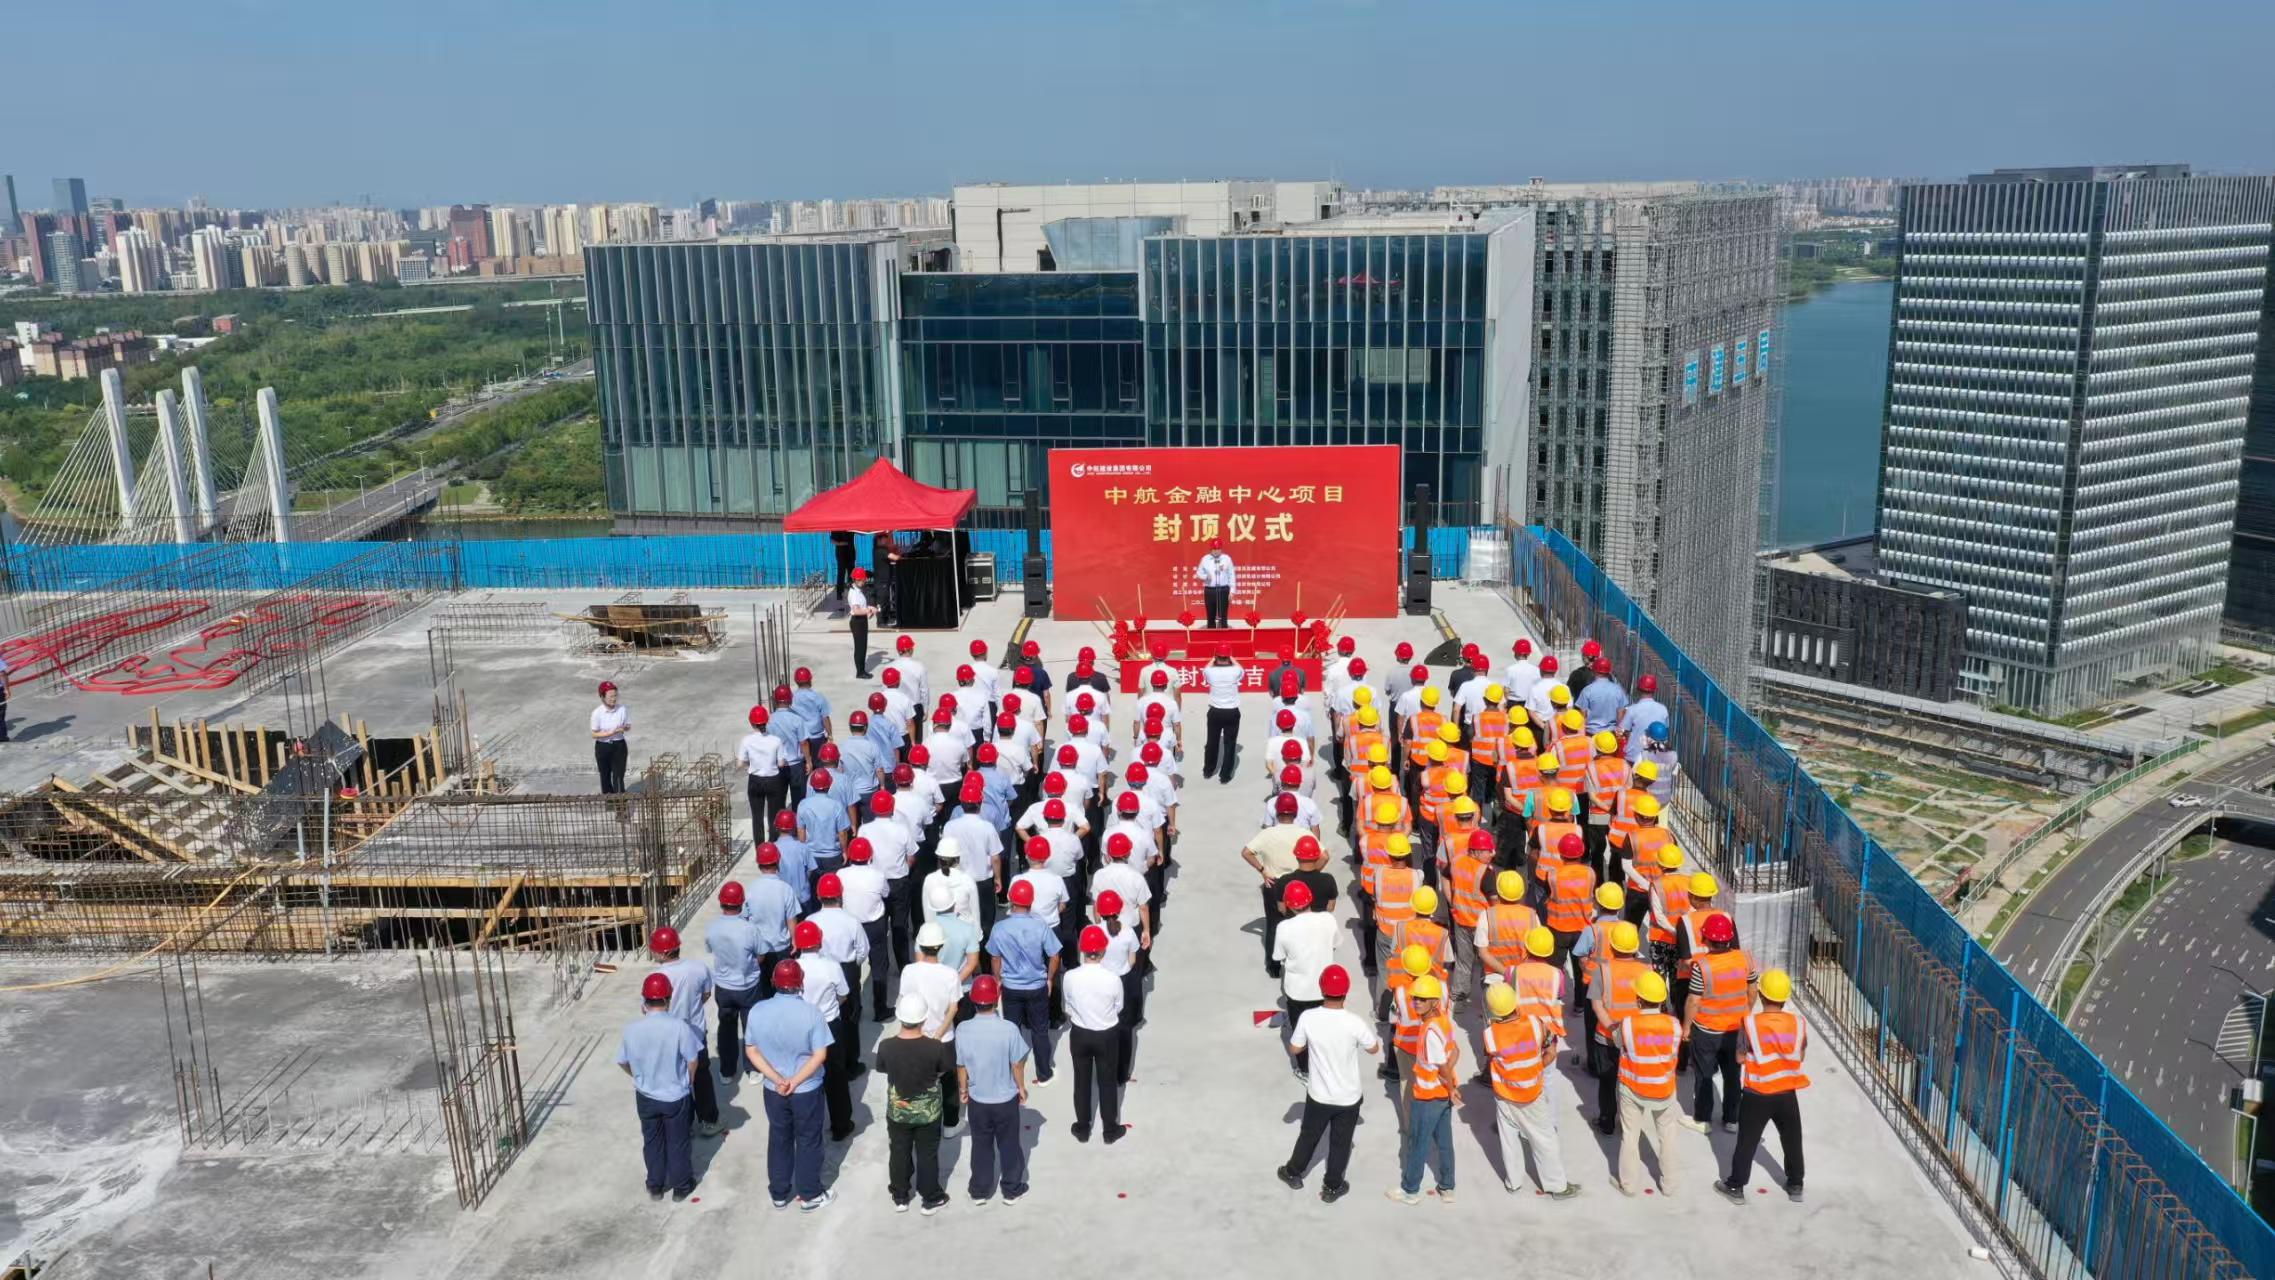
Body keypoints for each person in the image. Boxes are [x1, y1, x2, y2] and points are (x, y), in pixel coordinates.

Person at [1276, 963, 1377, 1202]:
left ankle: (1293, 1172)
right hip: (1348, 1097)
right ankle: (1332, 1187)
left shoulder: (1308, 1018)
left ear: (1322, 990)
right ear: (1346, 991)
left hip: (1319, 1095)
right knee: (1341, 1143)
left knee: (1309, 1136)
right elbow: (1373, 1048)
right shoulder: (1354, 1022)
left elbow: (1295, 1048)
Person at [746, 959, 836, 1211]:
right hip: (806, 1089)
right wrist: (794, 1081)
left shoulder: (758, 1011)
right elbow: (820, 1055)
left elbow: (752, 1050)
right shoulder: (812, 1013)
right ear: (800, 983)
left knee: (779, 1137)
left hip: (774, 1090)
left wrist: (778, 1079)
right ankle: (809, 1194)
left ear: (773, 981)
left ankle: (779, 1192)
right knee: (808, 1140)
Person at [1715, 968, 1809, 1205]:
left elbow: (1739, 1058)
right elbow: (1800, 1054)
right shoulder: (1798, 1024)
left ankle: (1735, 1186)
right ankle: (1795, 1184)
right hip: (1786, 1093)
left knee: (1747, 1142)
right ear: (1785, 998)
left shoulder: (1750, 1023)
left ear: (1762, 995)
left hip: (1757, 1094)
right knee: (1792, 1139)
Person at [1481, 980, 1579, 1199]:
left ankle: (1513, 1182)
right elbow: (1550, 1049)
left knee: (1508, 1138)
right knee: (1544, 1138)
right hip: (1532, 1094)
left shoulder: (1489, 1035)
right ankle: (1557, 1186)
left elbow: (1491, 1055)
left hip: (1505, 1095)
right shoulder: (1535, 1023)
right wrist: (1538, 1064)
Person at [618, 971, 703, 1201]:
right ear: (668, 998)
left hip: (646, 1096)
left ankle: (655, 1186)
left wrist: (639, 1076)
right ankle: (681, 1187)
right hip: (675, 1096)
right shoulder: (679, 1027)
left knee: (652, 1141)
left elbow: (622, 1061)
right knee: (678, 1142)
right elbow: (692, 1059)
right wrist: (689, 1080)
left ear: (644, 999)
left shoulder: (632, 1029)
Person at [879, 991, 957, 1215]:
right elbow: (942, 1070)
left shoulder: (886, 1046)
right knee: (927, 1154)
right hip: (928, 1113)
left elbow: (883, 1068)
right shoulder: (935, 1047)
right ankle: (931, 1197)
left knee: (899, 1151)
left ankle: (900, 1195)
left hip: (898, 1111)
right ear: (924, 1019)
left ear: (899, 1017)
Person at [957, 975, 1033, 1205]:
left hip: (978, 1100)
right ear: (996, 997)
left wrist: (963, 1089)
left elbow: (961, 1065)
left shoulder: (963, 1029)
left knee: (981, 1145)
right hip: (1005, 1100)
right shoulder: (1008, 1029)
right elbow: (1017, 1064)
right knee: (1009, 1144)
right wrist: (1021, 1087)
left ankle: (980, 1190)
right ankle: (1011, 1189)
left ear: (973, 1000)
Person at [1683, 911, 1757, 1134]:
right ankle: (1732, 1119)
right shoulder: (1745, 959)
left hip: (1707, 1031)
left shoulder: (1702, 966)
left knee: (1704, 1075)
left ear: (1706, 939)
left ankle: (1703, 1119)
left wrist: (1686, 1026)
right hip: (1736, 1030)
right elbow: (1752, 990)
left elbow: (1694, 1000)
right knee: (1733, 1075)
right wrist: (1746, 1012)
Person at [1612, 970, 1682, 1198]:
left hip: (1632, 1087)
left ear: (1638, 999)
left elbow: (1617, 1042)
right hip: (1663, 1088)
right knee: (1667, 1136)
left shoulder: (1628, 1024)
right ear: (1662, 999)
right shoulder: (1674, 1025)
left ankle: (1629, 1185)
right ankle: (1669, 1185)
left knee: (1630, 1136)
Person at [1388, 974, 1457, 1205]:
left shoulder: (1428, 1031)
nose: (1416, 1002)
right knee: (1445, 1143)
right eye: (1415, 998)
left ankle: (1410, 1190)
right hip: (1442, 1095)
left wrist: (1450, 1086)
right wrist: (1449, 1087)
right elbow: (1455, 1051)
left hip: (1427, 1096)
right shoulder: (1443, 1022)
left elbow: (1441, 1066)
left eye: (1422, 999)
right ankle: (1447, 1187)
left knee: (1417, 1143)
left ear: (1434, 1002)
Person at [988, 879, 1062, 1084]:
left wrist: (997, 979)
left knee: (1012, 1031)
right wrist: (1049, 979)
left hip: (1011, 987)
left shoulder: (1000, 928)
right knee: (1040, 1031)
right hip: (1037, 986)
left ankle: (1011, 1073)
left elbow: (995, 957)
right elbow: (1055, 956)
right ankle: (1044, 1073)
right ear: (1031, 901)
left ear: (1011, 901)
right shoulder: (1041, 925)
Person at [647, 927, 720, 1137]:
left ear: (663, 952)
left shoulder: (656, 977)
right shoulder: (698, 968)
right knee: (702, 1077)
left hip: (669, 1038)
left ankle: (684, 1125)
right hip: (695, 1033)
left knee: (678, 1082)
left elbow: (648, 1009)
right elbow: (706, 994)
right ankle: (708, 1121)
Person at [1064, 925, 1126, 1143]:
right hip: (1106, 1035)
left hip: (1080, 1034)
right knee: (1107, 1082)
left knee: (1081, 1081)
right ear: (1103, 950)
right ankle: (1110, 1130)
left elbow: (1068, 1005)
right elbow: (1119, 1006)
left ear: (1082, 949)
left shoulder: (1070, 977)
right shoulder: (1113, 979)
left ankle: (1082, 1128)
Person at [1272, 880, 1340, 1076]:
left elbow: (1278, 956)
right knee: (1323, 1030)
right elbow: (1336, 943)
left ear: (1289, 904)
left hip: (1298, 991)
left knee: (1300, 1032)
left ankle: (1305, 1070)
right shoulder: (1328, 919)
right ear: (1310, 898)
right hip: (1325, 989)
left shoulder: (1284, 927)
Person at [1243, 800, 1312, 972]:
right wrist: (1310, 872)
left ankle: (1273, 966)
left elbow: (1246, 852)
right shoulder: (1304, 833)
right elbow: (1324, 856)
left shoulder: (1267, 834)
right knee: (1300, 924)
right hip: (1298, 884)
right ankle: (1297, 960)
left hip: (1273, 883)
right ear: (1295, 813)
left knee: (1274, 925)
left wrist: (1262, 870)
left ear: (1277, 813)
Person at [707, 881, 764, 1080]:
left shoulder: (713, 928)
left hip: (724, 987)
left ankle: (727, 1071)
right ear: (741, 903)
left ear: (721, 902)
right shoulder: (750, 929)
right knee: (751, 1028)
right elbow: (761, 955)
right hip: (748, 986)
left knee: (726, 1028)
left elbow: (710, 949)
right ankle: (753, 1069)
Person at [738, 706, 791, 833]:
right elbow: (781, 764)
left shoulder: (746, 741)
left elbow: (740, 763)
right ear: (767, 721)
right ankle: (773, 841)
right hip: (773, 779)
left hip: (755, 780)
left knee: (757, 817)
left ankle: (759, 844)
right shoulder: (776, 740)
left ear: (751, 722)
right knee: (773, 816)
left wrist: (752, 764)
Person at [1200, 645, 1243, 782]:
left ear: (1216, 656)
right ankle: (1225, 776)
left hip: (1215, 712)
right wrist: (1231, 658)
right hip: (1232, 712)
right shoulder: (1236, 670)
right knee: (1230, 744)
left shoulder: (1210, 671)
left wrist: (1213, 658)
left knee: (1212, 742)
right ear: (1229, 656)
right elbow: (1240, 668)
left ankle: (1208, 770)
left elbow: (1206, 668)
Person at [591, 680, 629, 794]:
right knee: (605, 776)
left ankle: (620, 802)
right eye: (610, 696)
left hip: (619, 746)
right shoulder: (597, 713)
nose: (614, 699)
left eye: (615, 695)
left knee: (618, 776)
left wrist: (625, 728)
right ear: (602, 697)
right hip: (603, 747)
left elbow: (628, 725)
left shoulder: (622, 709)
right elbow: (594, 734)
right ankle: (609, 801)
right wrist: (611, 733)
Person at [1619, 674, 1670, 758]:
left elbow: (1622, 731)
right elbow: (1665, 732)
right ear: (1655, 690)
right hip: (1655, 758)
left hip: (1634, 757)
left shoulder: (1632, 709)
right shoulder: (1663, 709)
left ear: (1638, 689)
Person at [1195, 537, 1236, 628]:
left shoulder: (1227, 559)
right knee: (1210, 615)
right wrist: (1206, 577)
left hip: (1223, 590)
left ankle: (1224, 633)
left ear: (1221, 549)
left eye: (1218, 549)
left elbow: (1231, 574)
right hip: (1210, 590)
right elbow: (1198, 573)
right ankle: (1211, 632)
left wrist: (1232, 591)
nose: (1216, 551)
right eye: (1214, 549)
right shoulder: (1205, 559)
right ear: (1211, 549)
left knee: (1223, 615)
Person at [846, 568, 878, 677]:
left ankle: (861, 670)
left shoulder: (857, 590)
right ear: (857, 579)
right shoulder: (854, 593)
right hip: (857, 622)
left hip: (861, 621)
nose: (864, 581)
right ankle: (860, 672)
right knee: (860, 648)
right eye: (863, 580)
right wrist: (869, 610)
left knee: (862, 647)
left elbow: (861, 607)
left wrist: (869, 609)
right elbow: (856, 611)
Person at [831, 529, 857, 599]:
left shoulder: (851, 527)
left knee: (851, 573)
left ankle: (852, 591)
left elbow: (861, 532)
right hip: (841, 553)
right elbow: (832, 541)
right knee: (841, 573)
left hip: (851, 552)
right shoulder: (836, 528)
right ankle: (839, 593)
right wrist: (843, 543)